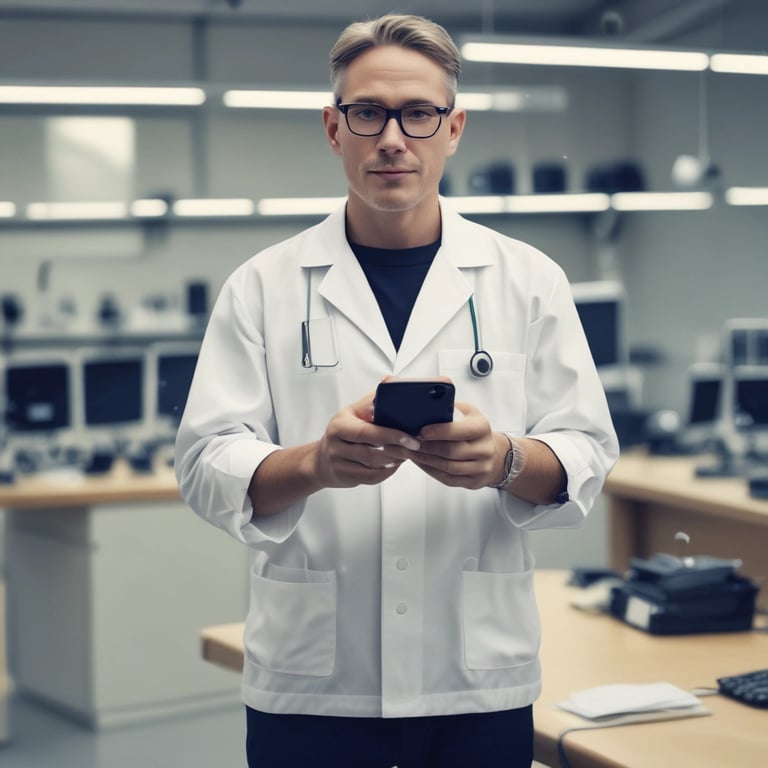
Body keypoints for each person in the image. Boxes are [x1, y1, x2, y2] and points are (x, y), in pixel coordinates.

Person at [175, 12, 619, 768]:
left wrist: (505, 460)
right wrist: (316, 464)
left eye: (418, 113)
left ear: (453, 128)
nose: (392, 137)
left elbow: (586, 453)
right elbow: (205, 462)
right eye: (367, 111)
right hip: (316, 684)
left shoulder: (528, 280)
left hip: (475, 679)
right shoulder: (262, 286)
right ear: (332, 127)